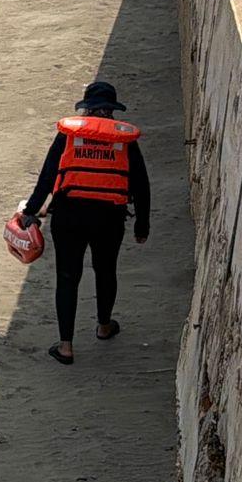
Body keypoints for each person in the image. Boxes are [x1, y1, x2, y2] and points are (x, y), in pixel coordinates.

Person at [17, 82, 150, 365]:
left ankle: (66, 346)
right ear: (112, 110)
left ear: (86, 109)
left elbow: (47, 178)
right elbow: (141, 185)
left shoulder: (69, 135)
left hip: (69, 216)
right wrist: (142, 226)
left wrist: (30, 211)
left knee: (67, 277)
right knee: (105, 271)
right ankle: (104, 326)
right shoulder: (124, 140)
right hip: (109, 218)